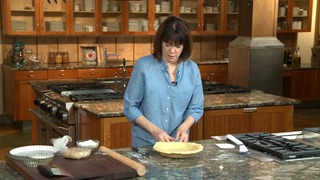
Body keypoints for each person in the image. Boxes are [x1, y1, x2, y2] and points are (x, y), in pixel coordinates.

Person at [123, 16, 204, 147]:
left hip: (178, 146)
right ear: (160, 42)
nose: (172, 51)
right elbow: (130, 107)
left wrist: (184, 127)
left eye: (178, 46)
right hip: (146, 145)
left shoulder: (193, 70)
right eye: (167, 45)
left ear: (185, 46)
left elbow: (196, 108)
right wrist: (155, 130)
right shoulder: (143, 66)